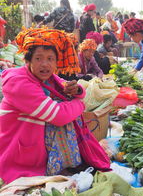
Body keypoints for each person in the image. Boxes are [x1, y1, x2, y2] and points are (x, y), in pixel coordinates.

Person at [0, 27, 87, 184]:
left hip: (35, 148)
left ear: (56, 62)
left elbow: (75, 90)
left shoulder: (48, 78)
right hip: (17, 154)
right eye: (38, 58)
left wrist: (77, 90)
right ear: (28, 60)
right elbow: (59, 116)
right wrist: (80, 104)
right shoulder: (18, 82)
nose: (45, 64)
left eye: (50, 59)